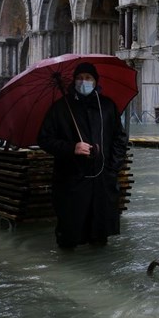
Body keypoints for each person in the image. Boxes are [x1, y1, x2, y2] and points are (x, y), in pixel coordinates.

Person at [37, 62, 129, 250]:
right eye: (80, 78)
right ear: (74, 81)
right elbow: (44, 139)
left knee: (100, 233)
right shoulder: (60, 108)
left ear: (96, 81)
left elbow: (120, 138)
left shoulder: (107, 106)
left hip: (102, 178)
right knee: (70, 233)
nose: (84, 82)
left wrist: (112, 166)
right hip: (71, 179)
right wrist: (72, 147)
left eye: (88, 78)